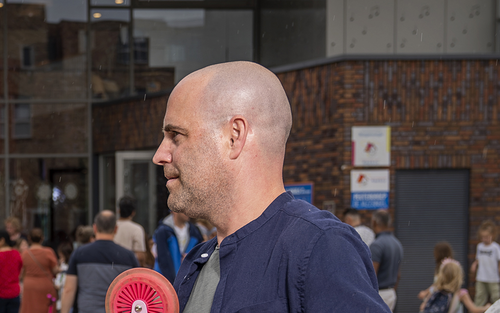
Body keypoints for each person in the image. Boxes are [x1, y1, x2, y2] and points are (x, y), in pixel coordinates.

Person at [152, 61, 386, 312]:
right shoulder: (197, 262)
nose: (160, 155)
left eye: (176, 135)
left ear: (234, 136)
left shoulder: (319, 247)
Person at [59, 211, 139, 313]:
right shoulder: (128, 256)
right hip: (116, 310)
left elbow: (68, 289)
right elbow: (136, 290)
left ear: (95, 228)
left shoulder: (79, 254)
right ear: (115, 229)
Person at [153, 211, 204, 282]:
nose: (188, 212)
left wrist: (192, 257)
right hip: (165, 281)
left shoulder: (195, 231)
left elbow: (201, 252)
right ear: (174, 210)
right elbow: (163, 260)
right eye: (184, 209)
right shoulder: (163, 231)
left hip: (188, 280)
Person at [370, 209, 405, 310]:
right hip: (391, 294)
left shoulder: (376, 245)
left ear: (374, 222)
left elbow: (372, 275)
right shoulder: (397, 244)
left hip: (379, 294)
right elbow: (398, 275)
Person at [420, 262, 487, 313]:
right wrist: (486, 307)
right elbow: (474, 310)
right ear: (458, 277)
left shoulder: (436, 289)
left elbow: (423, 307)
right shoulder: (461, 293)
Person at [20, 228, 58, 313]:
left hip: (29, 285)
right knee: (46, 308)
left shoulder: (25, 253)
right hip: (45, 284)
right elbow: (55, 270)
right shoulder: (48, 252)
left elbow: (22, 271)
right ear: (42, 238)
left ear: (29, 238)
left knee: (29, 308)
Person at [113, 196, 148, 265]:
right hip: (129, 270)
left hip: (112, 267)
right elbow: (140, 256)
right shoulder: (137, 229)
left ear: (118, 210)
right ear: (133, 212)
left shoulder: (111, 227)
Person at [476, 221, 500, 308]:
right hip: (481, 276)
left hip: (493, 277)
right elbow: (478, 259)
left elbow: (499, 260)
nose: (484, 239)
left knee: (496, 296)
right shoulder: (479, 246)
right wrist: (474, 265)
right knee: (479, 296)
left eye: (486, 237)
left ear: (492, 235)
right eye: (482, 237)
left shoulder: (495, 247)